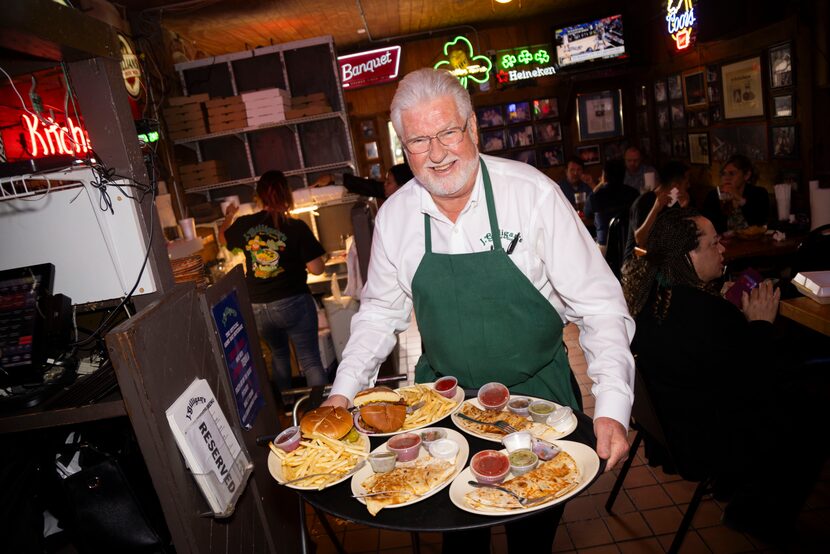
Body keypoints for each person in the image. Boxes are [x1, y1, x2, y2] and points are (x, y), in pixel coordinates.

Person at [323, 68, 634, 552]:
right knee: (459, 542)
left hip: (538, 402)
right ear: (404, 149)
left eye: (448, 131)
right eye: (420, 141)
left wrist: (613, 406)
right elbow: (379, 314)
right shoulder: (395, 216)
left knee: (532, 539)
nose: (438, 153)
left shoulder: (532, 196)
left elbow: (600, 307)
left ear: (472, 128)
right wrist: (342, 393)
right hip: (443, 404)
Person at [622, 207, 827, 545]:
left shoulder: (650, 300)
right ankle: (759, 515)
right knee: (813, 415)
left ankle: (740, 494)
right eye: (714, 244)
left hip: (668, 432)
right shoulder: (711, 316)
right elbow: (759, 384)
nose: (722, 251)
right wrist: (759, 324)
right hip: (706, 442)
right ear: (688, 255)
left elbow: (705, 351)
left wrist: (726, 310)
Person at [219, 170, 328, 395]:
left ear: (258, 197)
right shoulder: (295, 227)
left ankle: (288, 409)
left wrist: (229, 215)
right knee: (309, 360)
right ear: (287, 196)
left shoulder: (245, 224)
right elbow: (316, 268)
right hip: (293, 302)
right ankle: (323, 413)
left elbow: (223, 238)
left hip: (258, 306)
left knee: (279, 355)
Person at [623, 160, 691, 261]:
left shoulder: (673, 202)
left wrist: (684, 208)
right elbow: (639, 240)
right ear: (675, 185)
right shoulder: (643, 202)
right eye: (686, 182)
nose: (688, 186)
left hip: (657, 255)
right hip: (636, 259)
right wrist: (655, 209)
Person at [701, 154, 769, 234]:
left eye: (732, 173)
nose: (726, 178)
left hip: (752, 243)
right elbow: (706, 227)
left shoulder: (759, 193)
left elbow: (760, 224)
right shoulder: (713, 196)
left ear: (746, 175)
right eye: (723, 174)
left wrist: (741, 200)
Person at [586, 158, 639, 250]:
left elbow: (587, 214)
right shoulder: (634, 193)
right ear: (623, 175)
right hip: (630, 246)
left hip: (605, 247)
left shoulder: (595, 196)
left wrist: (600, 185)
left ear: (604, 175)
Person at [560, 156, 596, 230]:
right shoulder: (560, 187)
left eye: (579, 170)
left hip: (590, 226)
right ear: (566, 172)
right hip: (568, 227)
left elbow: (599, 201)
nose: (575, 173)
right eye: (572, 170)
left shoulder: (587, 184)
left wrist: (592, 184)